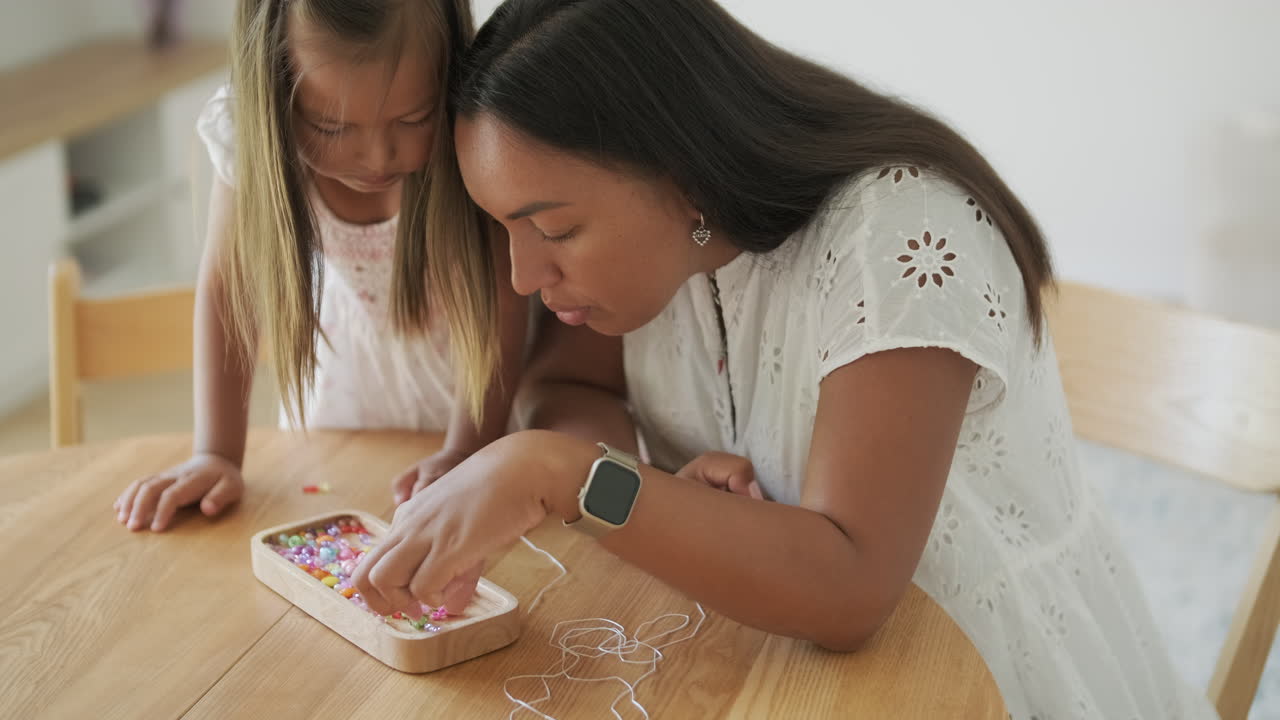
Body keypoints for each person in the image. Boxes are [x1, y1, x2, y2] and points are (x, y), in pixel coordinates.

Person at [353, 1, 1218, 717]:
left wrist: (569, 474)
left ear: (684, 175)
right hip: (776, 662)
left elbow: (848, 588)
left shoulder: (903, 239)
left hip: (981, 676)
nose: (524, 274)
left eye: (552, 229)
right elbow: (566, 384)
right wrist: (647, 486)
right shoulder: (632, 261)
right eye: (503, 228)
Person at [115, 0, 527, 537]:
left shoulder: (481, 122)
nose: (378, 158)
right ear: (275, 91)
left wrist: (466, 450)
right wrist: (215, 453)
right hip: (345, 400)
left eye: (415, 117)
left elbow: (499, 305)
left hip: (483, 409)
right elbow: (228, 290)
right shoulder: (252, 134)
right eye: (333, 128)